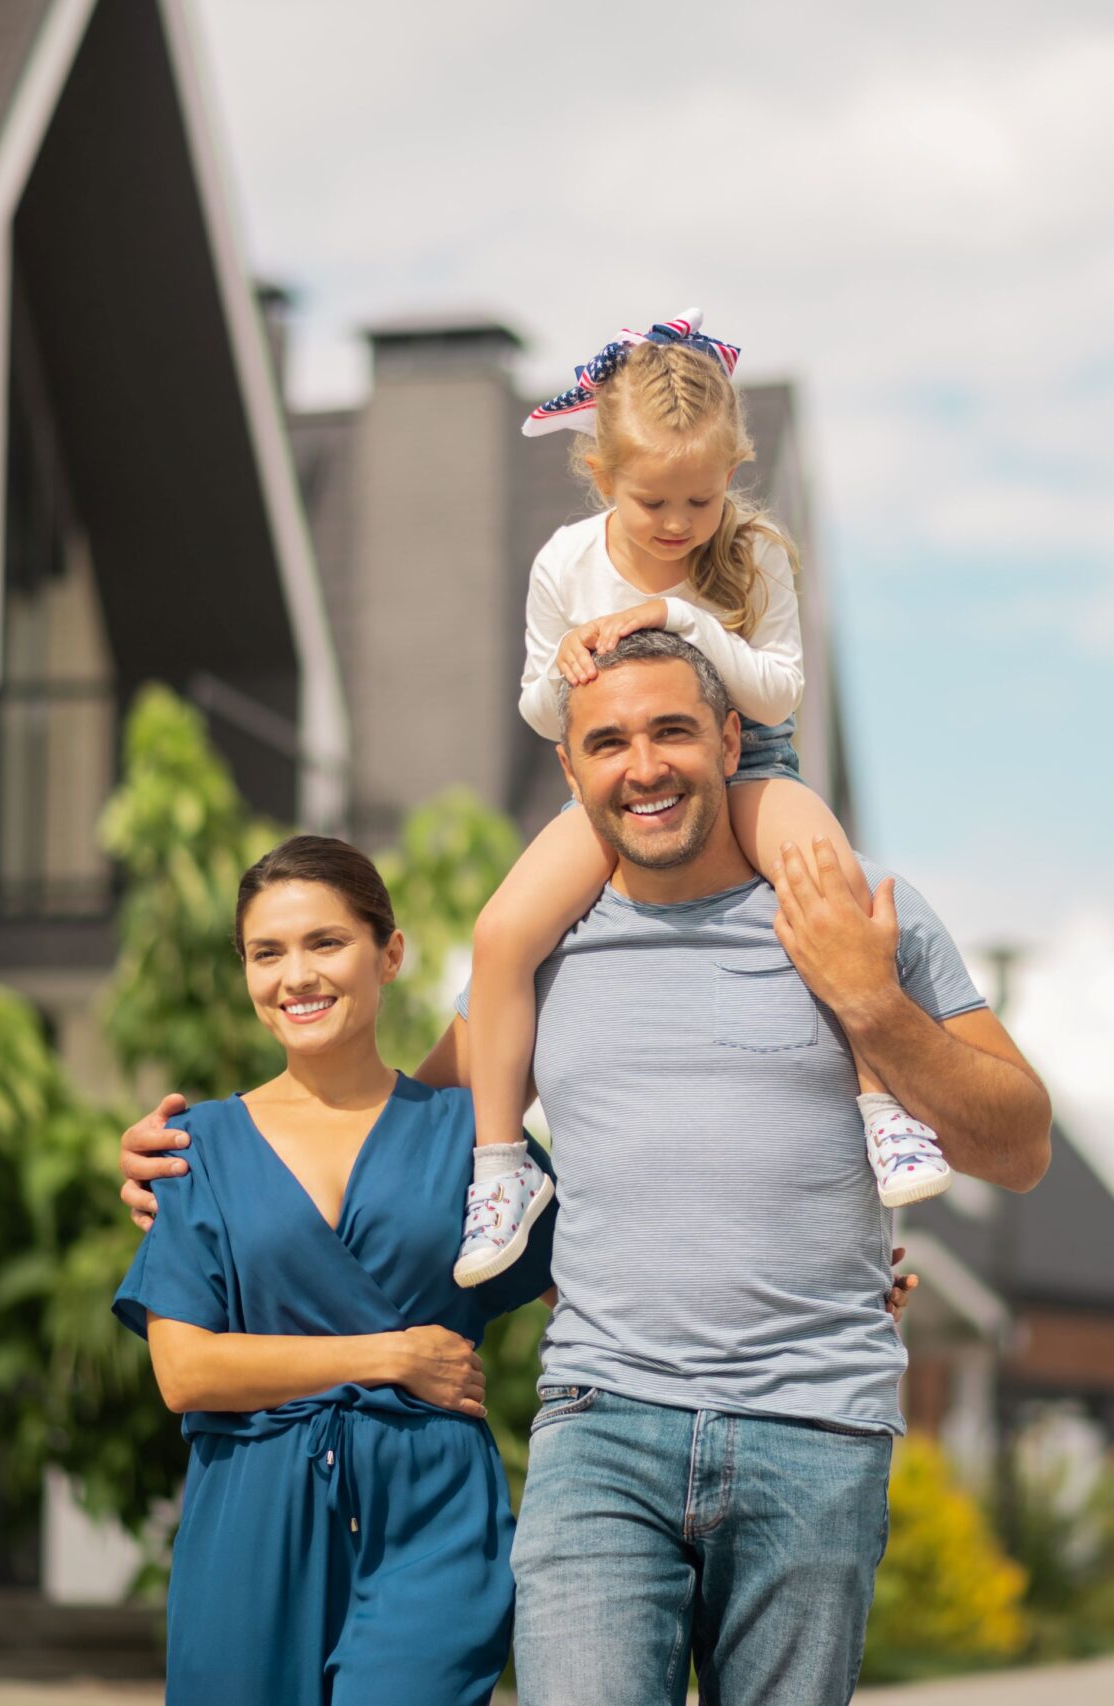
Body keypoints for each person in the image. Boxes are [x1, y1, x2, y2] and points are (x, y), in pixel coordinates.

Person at [121, 632, 1050, 1703]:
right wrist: (189, 1161)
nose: (642, 765)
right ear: (570, 770)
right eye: (607, 740)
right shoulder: (541, 949)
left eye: (671, 730)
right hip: (601, 1422)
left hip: (813, 1424)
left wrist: (870, 1000)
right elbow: (392, 1142)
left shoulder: (859, 906)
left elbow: (1017, 1145)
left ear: (732, 738)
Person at [449, 309, 952, 1292]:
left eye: (699, 498)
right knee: (503, 931)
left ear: (732, 474)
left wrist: (679, 616)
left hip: (751, 754)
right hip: (614, 781)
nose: (678, 524)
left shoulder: (754, 554)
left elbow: (776, 691)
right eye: (652, 503)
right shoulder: (565, 562)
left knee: (829, 879)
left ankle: (883, 1108)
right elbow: (537, 709)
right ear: (602, 479)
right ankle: (500, 1167)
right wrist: (564, 669)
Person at [110, 835, 557, 1705]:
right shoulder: (195, 1146)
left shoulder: (471, 1130)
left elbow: (605, 1272)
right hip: (249, 1516)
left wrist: (828, 1270)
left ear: (389, 954)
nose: (296, 976)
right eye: (266, 953)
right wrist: (387, 1356)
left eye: (326, 943)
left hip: (432, 1514)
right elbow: (185, 1369)